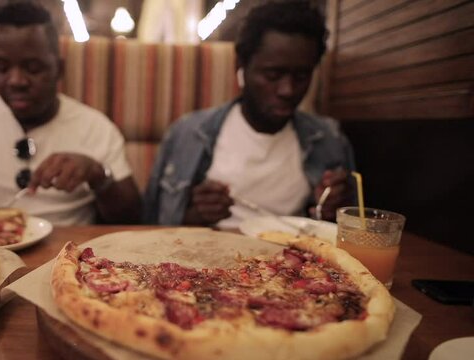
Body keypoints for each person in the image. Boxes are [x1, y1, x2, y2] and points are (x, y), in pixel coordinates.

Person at [0, 2, 141, 225]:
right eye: (2, 67)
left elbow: (134, 215)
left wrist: (98, 174)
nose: (16, 81)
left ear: (58, 69)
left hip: (68, 255)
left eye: (33, 68)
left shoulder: (95, 127)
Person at [143, 1, 355, 227]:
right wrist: (196, 216)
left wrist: (334, 210)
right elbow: (150, 225)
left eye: (301, 76)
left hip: (294, 257)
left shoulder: (330, 139)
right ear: (241, 65)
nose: (288, 90)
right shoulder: (187, 134)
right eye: (273, 74)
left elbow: (350, 231)